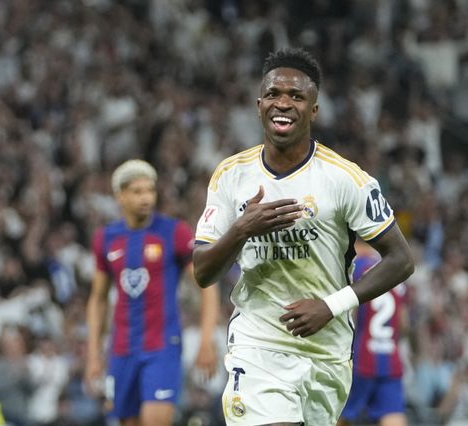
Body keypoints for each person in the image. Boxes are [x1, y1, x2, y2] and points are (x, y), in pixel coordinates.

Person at [192, 47, 414, 425]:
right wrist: (242, 229)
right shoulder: (231, 175)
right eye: (274, 94)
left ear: (314, 110)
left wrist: (331, 305)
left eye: (296, 96)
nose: (283, 103)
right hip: (257, 344)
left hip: (327, 354)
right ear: (259, 105)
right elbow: (202, 271)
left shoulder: (346, 179)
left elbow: (402, 259)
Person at [85, 159, 220, 426]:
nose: (146, 198)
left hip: (162, 348)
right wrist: (93, 354)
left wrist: (207, 340)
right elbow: (98, 299)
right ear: (120, 196)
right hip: (121, 349)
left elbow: (207, 285)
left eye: (150, 190)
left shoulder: (173, 232)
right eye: (137, 191)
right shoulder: (106, 238)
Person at [338, 241, 409, 426]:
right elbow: (403, 323)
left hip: (361, 358)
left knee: (340, 414)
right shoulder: (398, 269)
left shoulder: (355, 267)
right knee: (393, 415)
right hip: (390, 359)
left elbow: (349, 315)